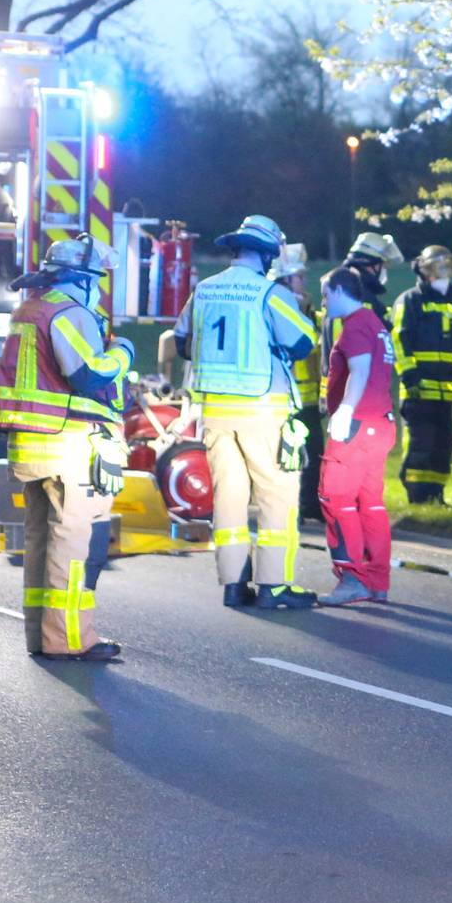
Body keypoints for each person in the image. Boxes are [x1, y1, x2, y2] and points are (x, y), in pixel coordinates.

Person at [0, 235, 134, 661]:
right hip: (67, 445)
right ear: (83, 279)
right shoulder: (69, 313)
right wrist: (123, 353)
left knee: (40, 541)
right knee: (71, 546)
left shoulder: (30, 308)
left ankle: (40, 635)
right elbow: (89, 376)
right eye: (97, 281)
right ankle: (69, 640)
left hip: (32, 445)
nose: (99, 289)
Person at [173, 214, 321, 610]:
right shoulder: (269, 293)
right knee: (276, 497)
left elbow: (183, 342)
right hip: (263, 413)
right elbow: (303, 342)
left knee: (229, 499)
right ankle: (273, 585)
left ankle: (234, 585)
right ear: (268, 255)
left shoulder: (203, 290)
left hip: (215, 415)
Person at [316, 267, 398, 607]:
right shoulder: (374, 324)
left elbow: (360, 371)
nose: (323, 303)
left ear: (338, 290)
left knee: (336, 498)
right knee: (371, 504)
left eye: (325, 295)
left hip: (357, 426)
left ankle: (351, 578)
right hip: (380, 423)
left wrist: (345, 410)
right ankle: (377, 581)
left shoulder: (355, 327)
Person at [392, 244, 452, 504]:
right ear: (425, 270)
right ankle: (418, 496)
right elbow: (399, 339)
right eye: (438, 266)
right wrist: (409, 375)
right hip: (419, 386)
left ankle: (436, 494)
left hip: (448, 389)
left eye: (447, 265)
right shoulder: (410, 300)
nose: (444, 272)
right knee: (421, 442)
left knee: (443, 444)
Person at [271, 243, 324, 507]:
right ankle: (292, 506)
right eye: (299, 277)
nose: (304, 282)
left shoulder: (314, 313)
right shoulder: (275, 312)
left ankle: (312, 504)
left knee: (315, 454)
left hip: (310, 400)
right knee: (286, 457)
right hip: (282, 400)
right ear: (285, 281)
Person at [341, 231, 403, 324]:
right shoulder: (363, 297)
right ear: (372, 264)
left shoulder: (338, 288)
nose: (384, 270)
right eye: (383, 265)